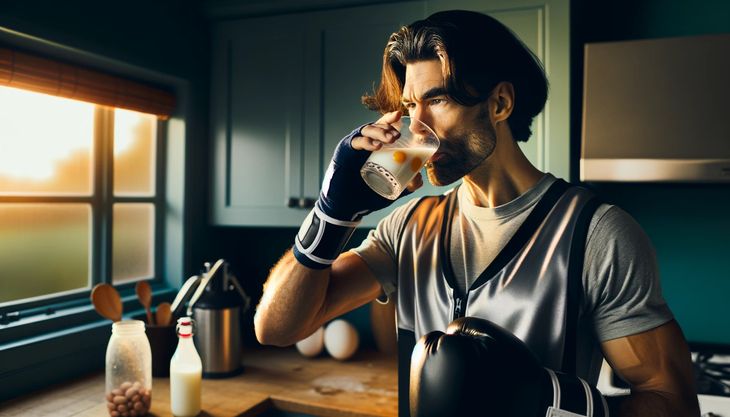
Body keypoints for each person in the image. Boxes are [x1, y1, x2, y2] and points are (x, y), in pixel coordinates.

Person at [254, 10, 700, 417]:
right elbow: (275, 328)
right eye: (411, 106)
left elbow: (673, 403)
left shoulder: (597, 234)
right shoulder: (408, 228)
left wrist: (547, 402)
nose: (417, 127)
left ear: (500, 103)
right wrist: (332, 215)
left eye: (439, 100)